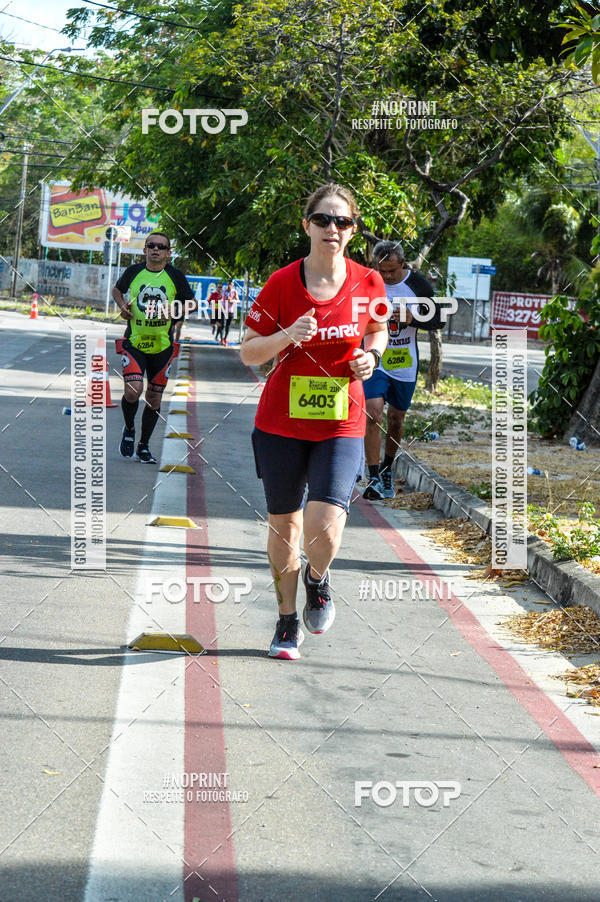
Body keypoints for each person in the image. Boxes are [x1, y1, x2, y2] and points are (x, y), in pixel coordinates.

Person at [240, 183, 388, 660]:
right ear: (306, 225)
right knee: (285, 527)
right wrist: (285, 334)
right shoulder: (282, 283)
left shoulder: (369, 282)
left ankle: (317, 578)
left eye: (342, 222)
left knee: (326, 530)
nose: (332, 229)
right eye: (323, 220)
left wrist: (372, 356)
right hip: (281, 423)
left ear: (353, 230)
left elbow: (379, 327)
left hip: (342, 421)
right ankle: (286, 623)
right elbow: (248, 351)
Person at [362, 240, 442, 500]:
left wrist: (413, 317)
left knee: (396, 419)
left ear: (403, 265)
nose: (385, 276)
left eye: (391, 271)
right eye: (381, 270)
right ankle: (373, 476)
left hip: (404, 363)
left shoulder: (417, 285)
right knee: (372, 413)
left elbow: (438, 319)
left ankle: (387, 468)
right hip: (376, 359)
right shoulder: (366, 282)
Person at [113, 231, 196, 463]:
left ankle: (144, 446)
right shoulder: (133, 272)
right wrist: (122, 306)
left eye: (161, 246)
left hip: (163, 346)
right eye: (151, 245)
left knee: (154, 400)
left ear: (169, 253)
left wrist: (177, 310)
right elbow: (116, 290)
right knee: (133, 390)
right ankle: (129, 429)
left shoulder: (175, 276)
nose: (156, 249)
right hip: (135, 342)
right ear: (145, 250)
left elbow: (192, 303)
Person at [219, 279, 239, 346]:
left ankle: (225, 339)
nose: (230, 285)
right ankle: (221, 339)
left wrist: (232, 300)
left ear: (233, 285)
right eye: (229, 283)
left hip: (230, 311)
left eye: (231, 284)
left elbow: (238, 301)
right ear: (227, 284)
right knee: (222, 325)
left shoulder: (234, 292)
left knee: (228, 326)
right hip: (223, 310)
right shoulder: (223, 291)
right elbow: (220, 298)